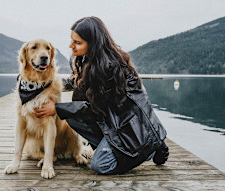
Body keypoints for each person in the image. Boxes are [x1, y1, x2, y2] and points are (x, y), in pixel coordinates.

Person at [34, 16, 169, 175]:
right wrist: (37, 81)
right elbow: (74, 84)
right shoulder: (90, 60)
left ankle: (147, 150)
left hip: (130, 128)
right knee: (70, 116)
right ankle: (125, 147)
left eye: (77, 43)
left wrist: (56, 108)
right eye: (72, 40)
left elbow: (94, 109)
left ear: (93, 43)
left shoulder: (109, 68)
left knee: (100, 165)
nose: (71, 46)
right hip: (114, 121)